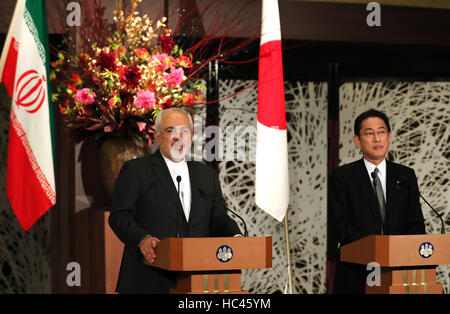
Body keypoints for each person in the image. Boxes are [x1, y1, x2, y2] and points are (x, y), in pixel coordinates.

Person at [109, 107, 242, 293]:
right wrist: (141, 239)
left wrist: (236, 237)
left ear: (191, 136)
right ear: (156, 137)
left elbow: (218, 219)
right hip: (149, 279)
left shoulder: (206, 175)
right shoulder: (137, 170)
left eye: (184, 131)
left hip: (197, 283)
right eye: (170, 131)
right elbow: (120, 216)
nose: (178, 137)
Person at [329, 109, 425, 294]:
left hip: (397, 271)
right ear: (357, 140)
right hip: (356, 271)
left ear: (389, 136)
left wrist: (397, 251)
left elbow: (416, 223)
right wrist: (376, 248)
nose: (377, 139)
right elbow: (339, 225)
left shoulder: (405, 175)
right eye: (369, 133)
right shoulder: (343, 176)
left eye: (381, 132)